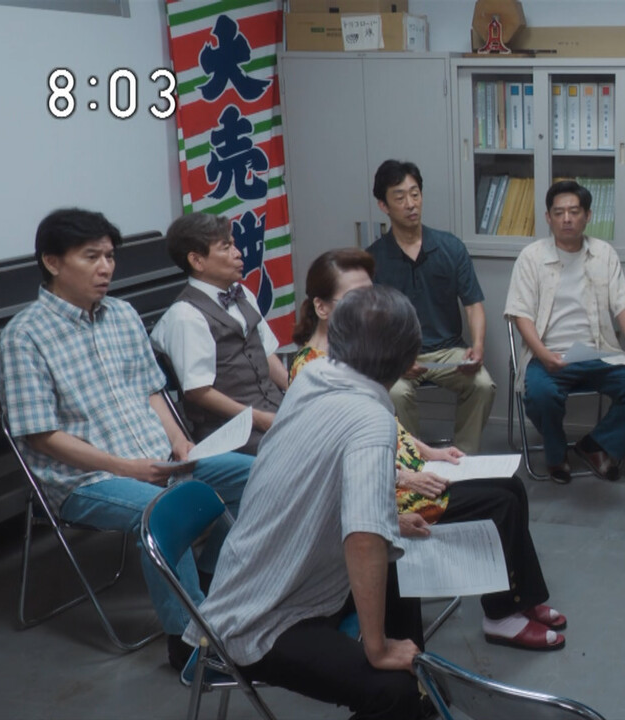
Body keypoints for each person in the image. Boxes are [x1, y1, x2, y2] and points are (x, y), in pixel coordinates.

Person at [0, 208, 254, 670]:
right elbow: (42, 436)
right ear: (53, 262)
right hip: (87, 481)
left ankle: (209, 577)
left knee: (261, 474)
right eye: (91, 256)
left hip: (158, 460)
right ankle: (190, 644)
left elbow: (152, 391)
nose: (106, 268)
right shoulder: (24, 337)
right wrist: (127, 469)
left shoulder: (122, 315)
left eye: (110, 256)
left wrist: (180, 443)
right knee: (166, 508)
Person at [290, 249, 567, 651]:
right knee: (501, 503)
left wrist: (428, 451)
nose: (370, 308)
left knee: (511, 487)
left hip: (409, 473)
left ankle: (521, 598)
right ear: (322, 307)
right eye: (355, 299)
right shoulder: (313, 371)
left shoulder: (352, 353)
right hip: (393, 495)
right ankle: (502, 615)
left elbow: (388, 423)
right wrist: (406, 479)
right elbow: (336, 464)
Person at [188, 286, 426, 720]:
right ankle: (409, 689)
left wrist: (388, 519)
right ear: (410, 360)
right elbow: (363, 538)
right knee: (393, 691)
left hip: (273, 582)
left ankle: (417, 687)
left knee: (395, 562)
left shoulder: (314, 376)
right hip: (259, 619)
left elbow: (327, 481)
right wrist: (376, 649)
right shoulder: (372, 421)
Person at [504, 180, 625, 483]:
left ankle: (595, 445)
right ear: (548, 217)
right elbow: (520, 314)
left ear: (588, 216)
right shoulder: (531, 257)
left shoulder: (604, 254)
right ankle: (556, 455)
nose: (566, 219)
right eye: (559, 212)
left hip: (598, 354)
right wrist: (544, 355)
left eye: (574, 212)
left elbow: (623, 305)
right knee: (539, 394)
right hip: (548, 355)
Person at [367, 160, 495, 454]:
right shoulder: (373, 259)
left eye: (415, 194)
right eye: (400, 197)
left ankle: (462, 458)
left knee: (483, 385)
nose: (411, 204)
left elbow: (473, 304)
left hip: (448, 352)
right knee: (396, 393)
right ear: (383, 206)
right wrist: (394, 359)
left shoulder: (450, 247)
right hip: (397, 354)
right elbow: (369, 325)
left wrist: (477, 345)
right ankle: (415, 460)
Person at [151, 213, 288, 454]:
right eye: (226, 248)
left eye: (234, 245)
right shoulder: (185, 316)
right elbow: (198, 392)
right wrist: (259, 419)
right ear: (197, 260)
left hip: (273, 412)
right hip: (230, 431)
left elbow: (266, 354)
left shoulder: (243, 293)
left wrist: (297, 392)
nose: (238, 253)